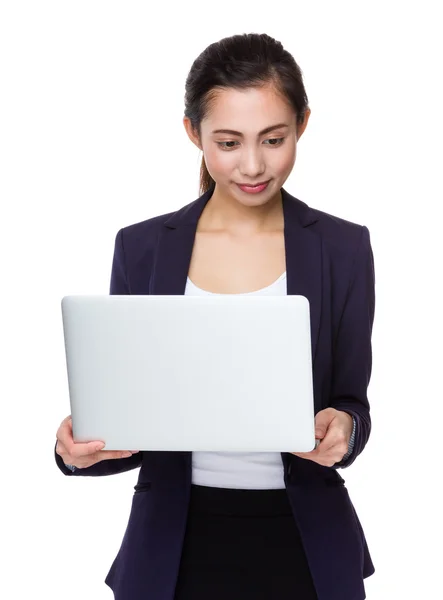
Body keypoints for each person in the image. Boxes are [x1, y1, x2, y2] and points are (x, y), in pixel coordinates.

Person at [55, 32, 376, 600]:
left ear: (302, 124)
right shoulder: (143, 248)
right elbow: (130, 421)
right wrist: (79, 450)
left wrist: (345, 432)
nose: (253, 165)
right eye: (228, 142)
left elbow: (352, 403)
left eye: (273, 139)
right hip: (171, 549)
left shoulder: (343, 249)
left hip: (306, 546)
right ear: (192, 133)